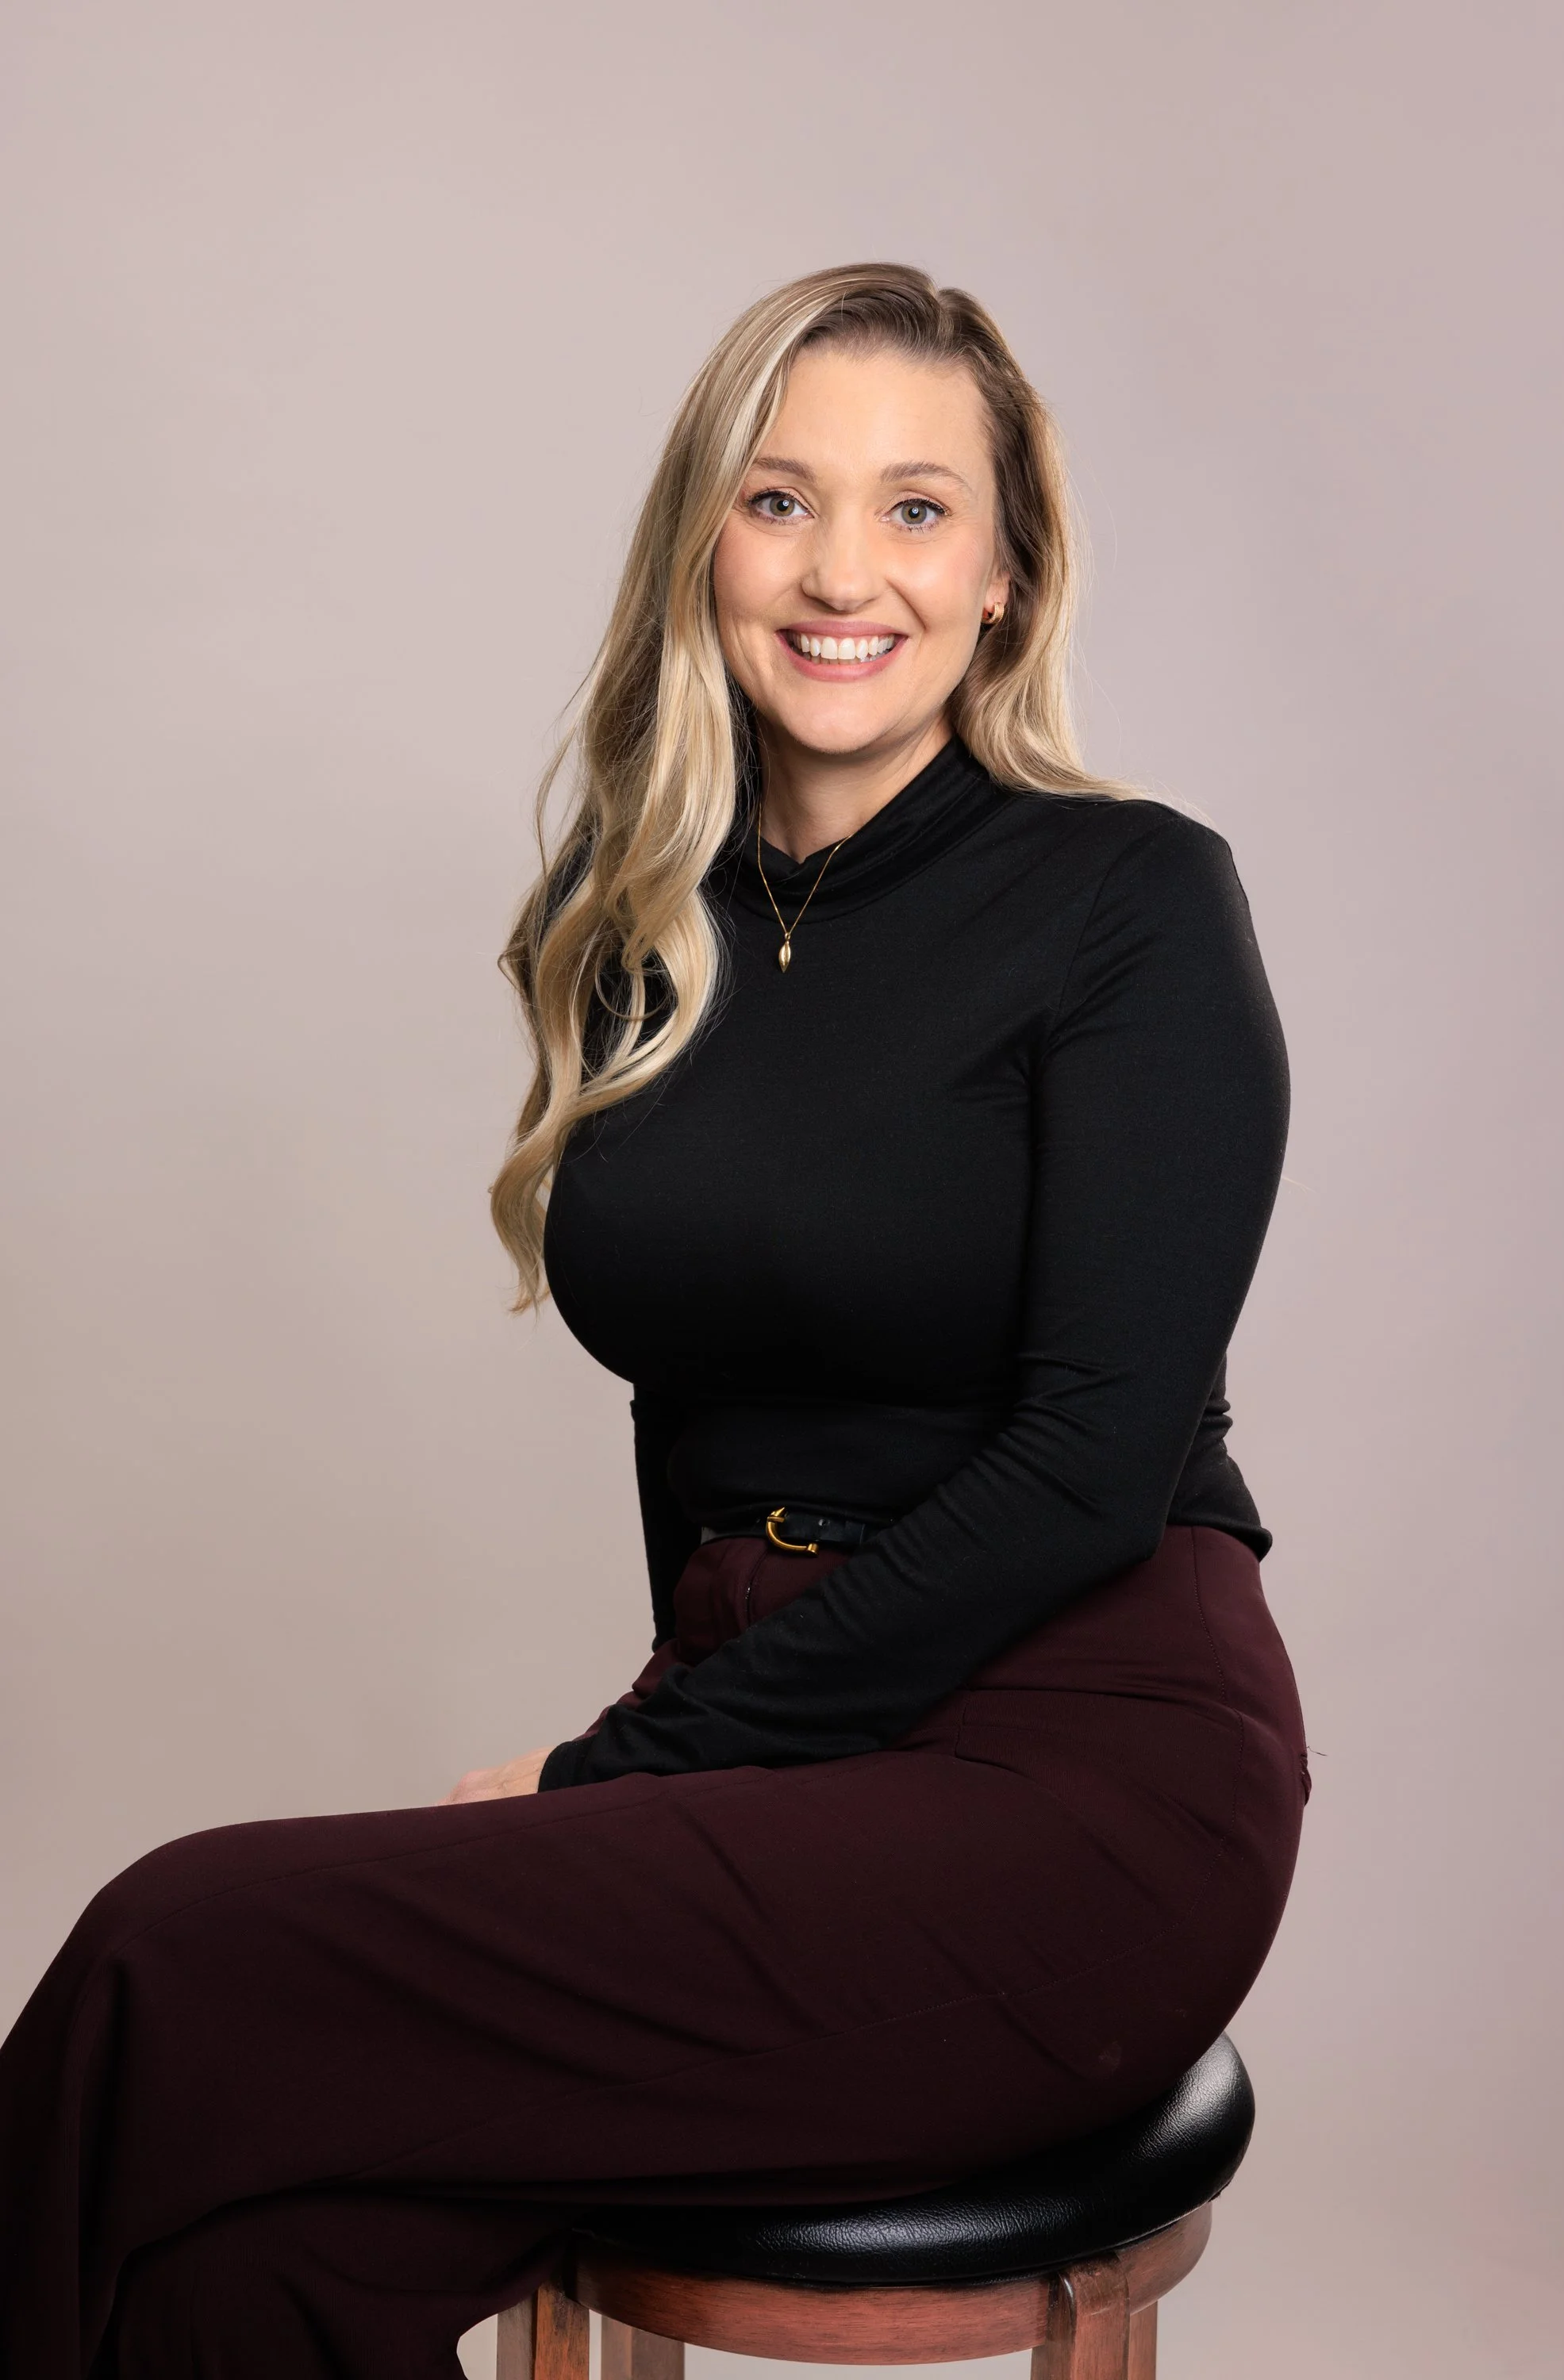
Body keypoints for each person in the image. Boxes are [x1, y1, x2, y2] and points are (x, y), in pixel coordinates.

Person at [0, 263, 1308, 2378]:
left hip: (1085, 1779)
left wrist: (622, 1777)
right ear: (701, 541)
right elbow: (695, 1411)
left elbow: (1085, 1475)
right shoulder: (629, 928)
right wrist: (682, 1748)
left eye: (914, 509)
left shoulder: (1130, 903)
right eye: (782, 499)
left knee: (176, 1946)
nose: (841, 570)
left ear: (1005, 574)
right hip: (789, 1728)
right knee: (252, 2245)